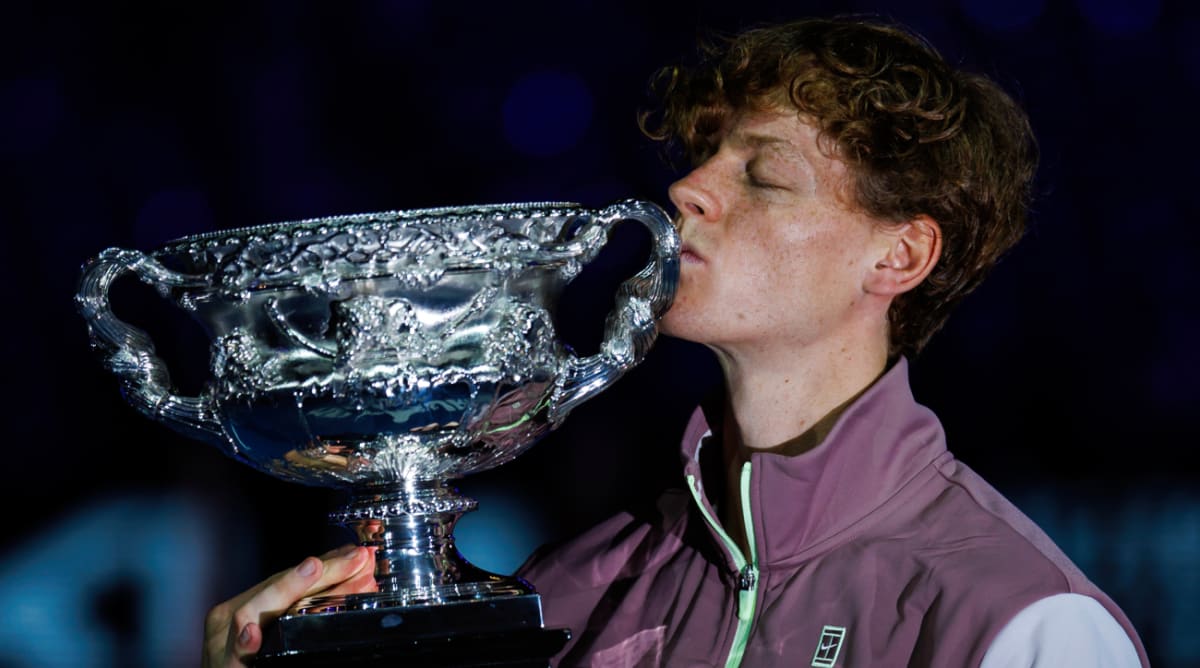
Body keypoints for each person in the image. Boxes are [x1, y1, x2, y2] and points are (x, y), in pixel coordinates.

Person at [203, 15, 1150, 667]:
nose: (689, 190)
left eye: (765, 176)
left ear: (899, 254)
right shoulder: (574, 589)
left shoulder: (1018, 618)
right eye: (701, 158)